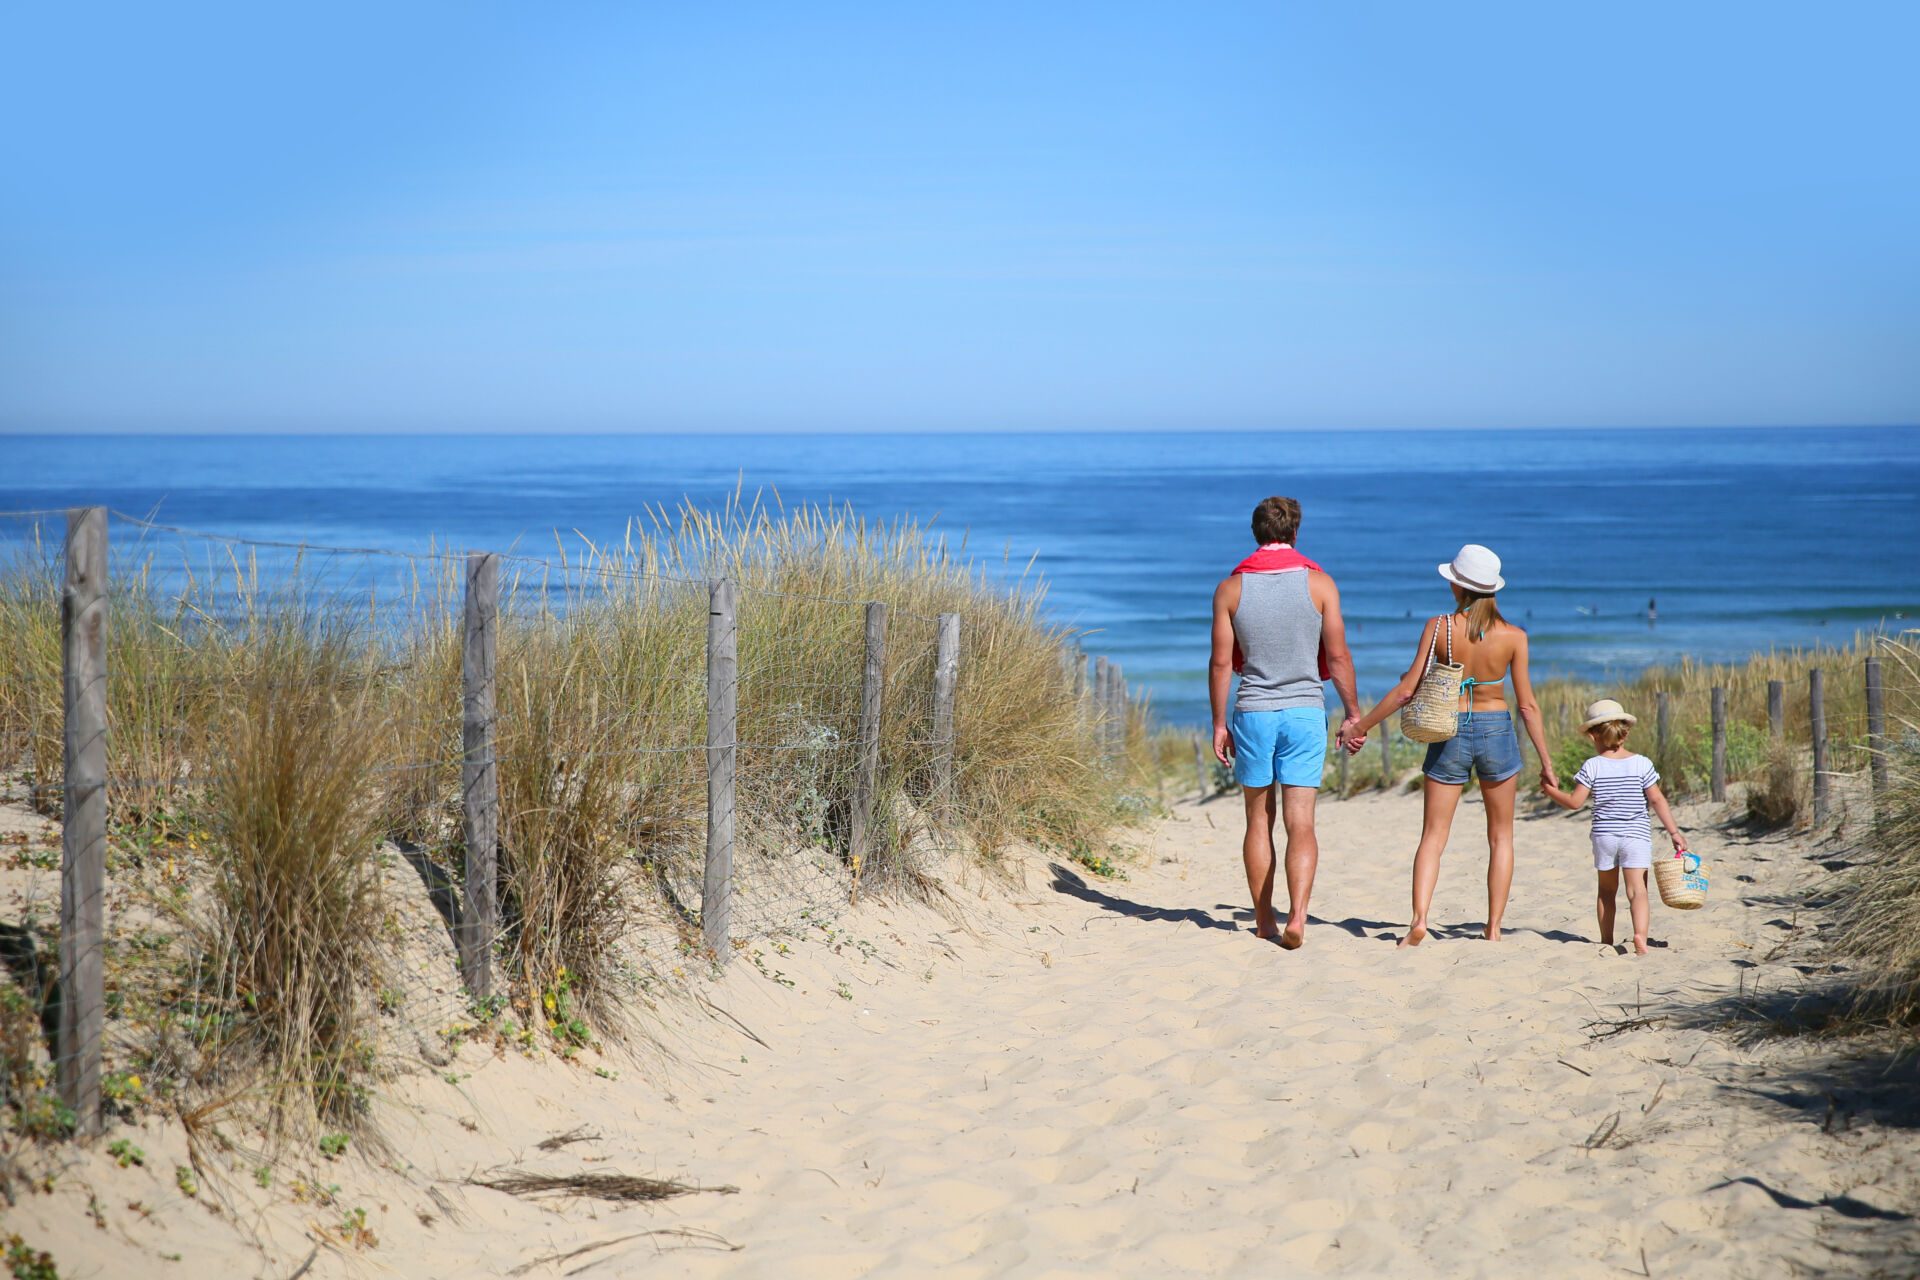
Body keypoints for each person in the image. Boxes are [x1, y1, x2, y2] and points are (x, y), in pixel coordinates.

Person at [1338, 545, 1553, 945]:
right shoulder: (1515, 637)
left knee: (1433, 837)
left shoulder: (1439, 627)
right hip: (1497, 731)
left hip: (1448, 728)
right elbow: (1527, 705)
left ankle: (1420, 920)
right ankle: (1493, 930)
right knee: (1501, 837)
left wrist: (1360, 727)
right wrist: (1546, 761)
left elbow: (1406, 692)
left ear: (1457, 585)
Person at [1208, 496, 1361, 949]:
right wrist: (1353, 713)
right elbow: (1337, 656)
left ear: (1256, 534)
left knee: (1259, 821)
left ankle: (1263, 919)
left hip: (1253, 710)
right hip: (1305, 711)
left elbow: (1220, 664)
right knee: (1302, 823)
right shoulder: (1320, 585)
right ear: (1296, 533)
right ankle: (1297, 916)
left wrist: (1219, 723)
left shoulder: (1231, 589)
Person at [1539, 699, 1686, 955]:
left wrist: (1550, 791)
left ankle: (1607, 939)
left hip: (1605, 836)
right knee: (1637, 890)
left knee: (1607, 891)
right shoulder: (1642, 763)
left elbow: (1575, 803)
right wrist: (1673, 831)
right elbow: (1656, 799)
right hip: (1636, 835)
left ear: (1593, 734)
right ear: (1625, 732)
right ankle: (1640, 936)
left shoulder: (1592, 766)